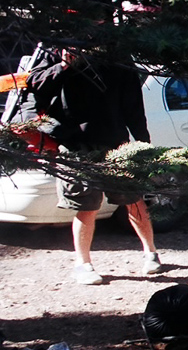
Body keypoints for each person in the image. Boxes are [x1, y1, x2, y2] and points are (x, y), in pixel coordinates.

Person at [27, 48, 162, 285]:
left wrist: (142, 142)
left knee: (132, 198)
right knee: (86, 205)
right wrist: (64, 65)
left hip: (115, 141)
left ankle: (151, 253)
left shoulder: (116, 51)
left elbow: (133, 102)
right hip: (74, 143)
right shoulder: (55, 45)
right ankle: (83, 264)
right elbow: (34, 83)